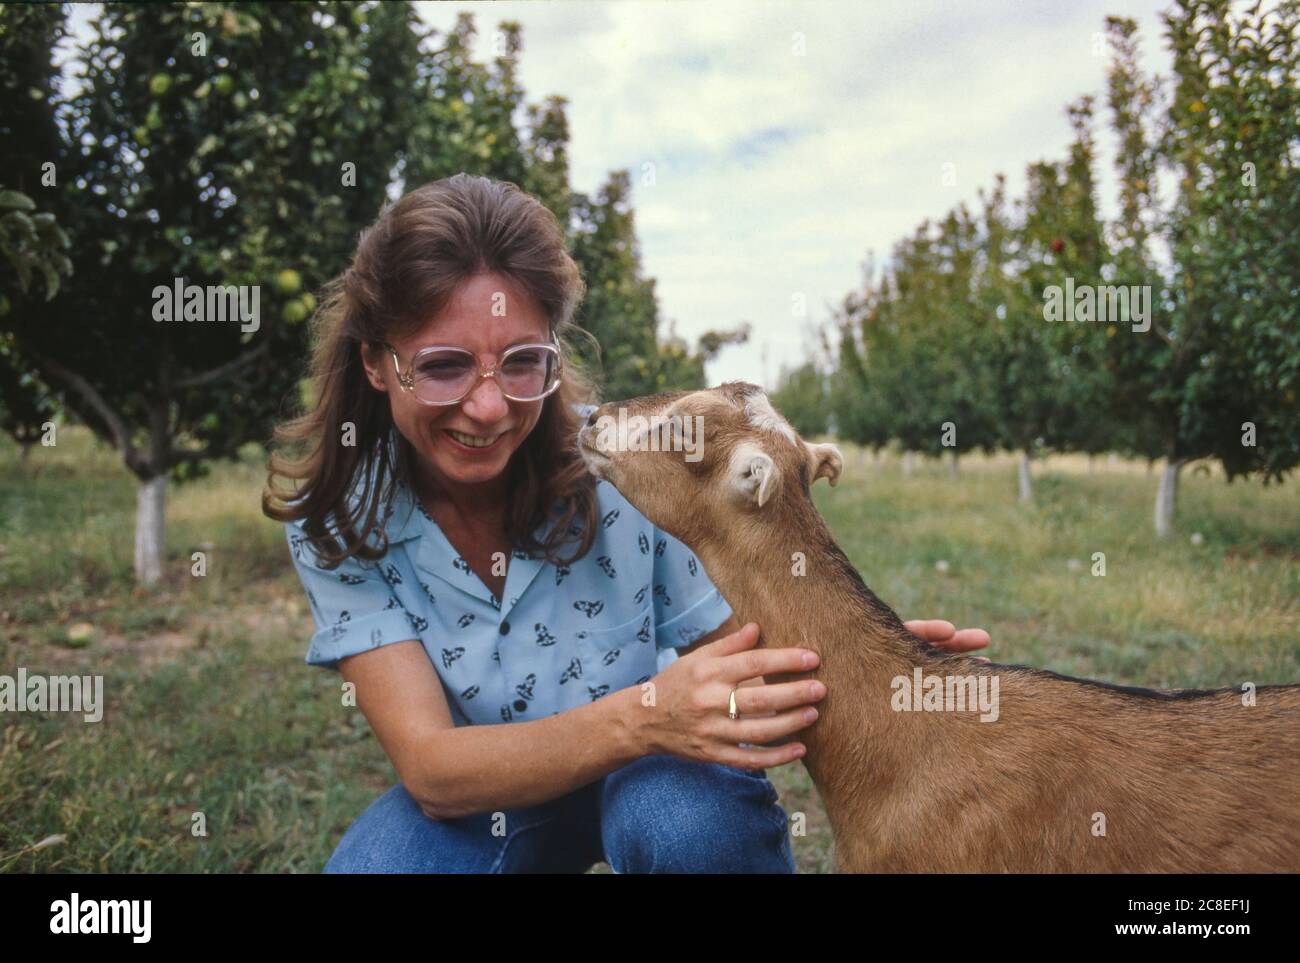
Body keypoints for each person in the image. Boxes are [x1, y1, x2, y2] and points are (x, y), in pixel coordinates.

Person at [263, 173, 989, 873]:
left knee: (694, 828)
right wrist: (642, 714)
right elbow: (433, 770)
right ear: (377, 363)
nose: (488, 407)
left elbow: (734, 647)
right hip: (491, 790)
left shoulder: (633, 466)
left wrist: (871, 665)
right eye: (445, 365)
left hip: (657, 769)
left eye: (523, 362)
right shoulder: (341, 520)